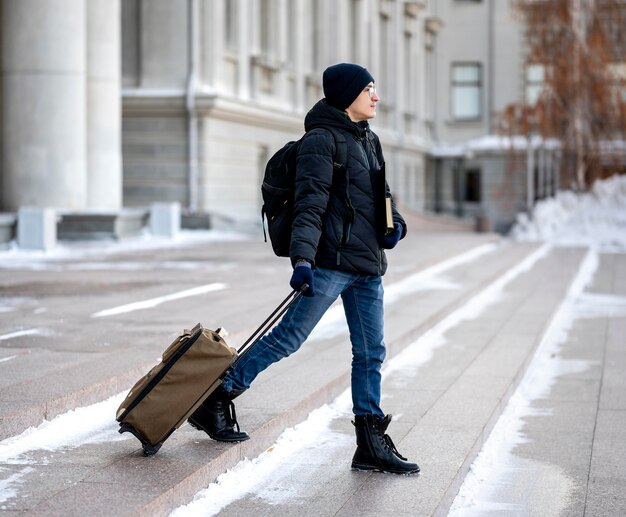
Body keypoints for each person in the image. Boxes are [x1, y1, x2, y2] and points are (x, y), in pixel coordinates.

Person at [188, 63, 420, 475]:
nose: (376, 96)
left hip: (367, 265)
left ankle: (369, 442)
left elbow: (381, 193)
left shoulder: (370, 139)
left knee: (371, 352)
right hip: (330, 263)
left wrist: (395, 224)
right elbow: (310, 204)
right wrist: (303, 261)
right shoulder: (320, 141)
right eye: (369, 89)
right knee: (288, 338)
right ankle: (217, 398)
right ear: (348, 95)